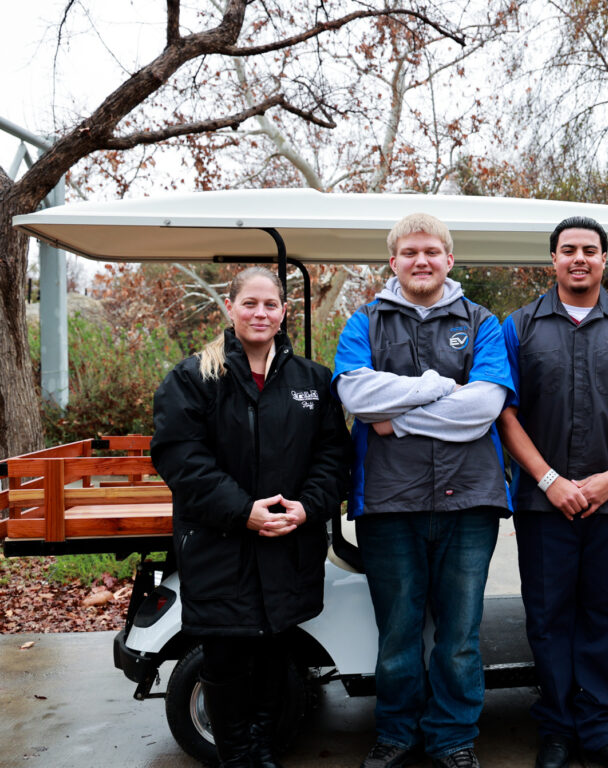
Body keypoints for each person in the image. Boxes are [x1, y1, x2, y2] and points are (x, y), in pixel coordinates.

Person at [332, 213, 513, 768]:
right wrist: (436, 388)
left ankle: (453, 739)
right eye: (409, 252)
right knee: (398, 634)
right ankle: (396, 734)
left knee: (459, 637)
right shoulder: (364, 322)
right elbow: (358, 397)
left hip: (470, 500)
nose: (421, 261)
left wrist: (402, 416)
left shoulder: (482, 322)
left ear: (449, 260)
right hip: (389, 502)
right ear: (394, 261)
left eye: (432, 251)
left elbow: (484, 408)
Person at [151, 267, 349, 768]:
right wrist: (245, 513)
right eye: (250, 304)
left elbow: (334, 456)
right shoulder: (193, 377)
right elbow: (181, 459)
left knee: (274, 657)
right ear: (230, 308)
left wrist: (308, 505)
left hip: (288, 544)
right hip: (222, 548)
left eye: (270, 305)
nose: (260, 313)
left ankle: (262, 751)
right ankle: (238, 757)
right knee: (227, 660)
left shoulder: (312, 380)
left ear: (285, 313)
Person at [498, 216, 608, 768]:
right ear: (552, 260)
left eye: (590, 250)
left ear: (604, 260)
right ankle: (557, 730)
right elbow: (502, 410)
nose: (580, 258)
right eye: (568, 250)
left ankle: (605, 732)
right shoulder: (519, 327)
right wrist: (549, 480)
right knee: (549, 618)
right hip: (542, 504)